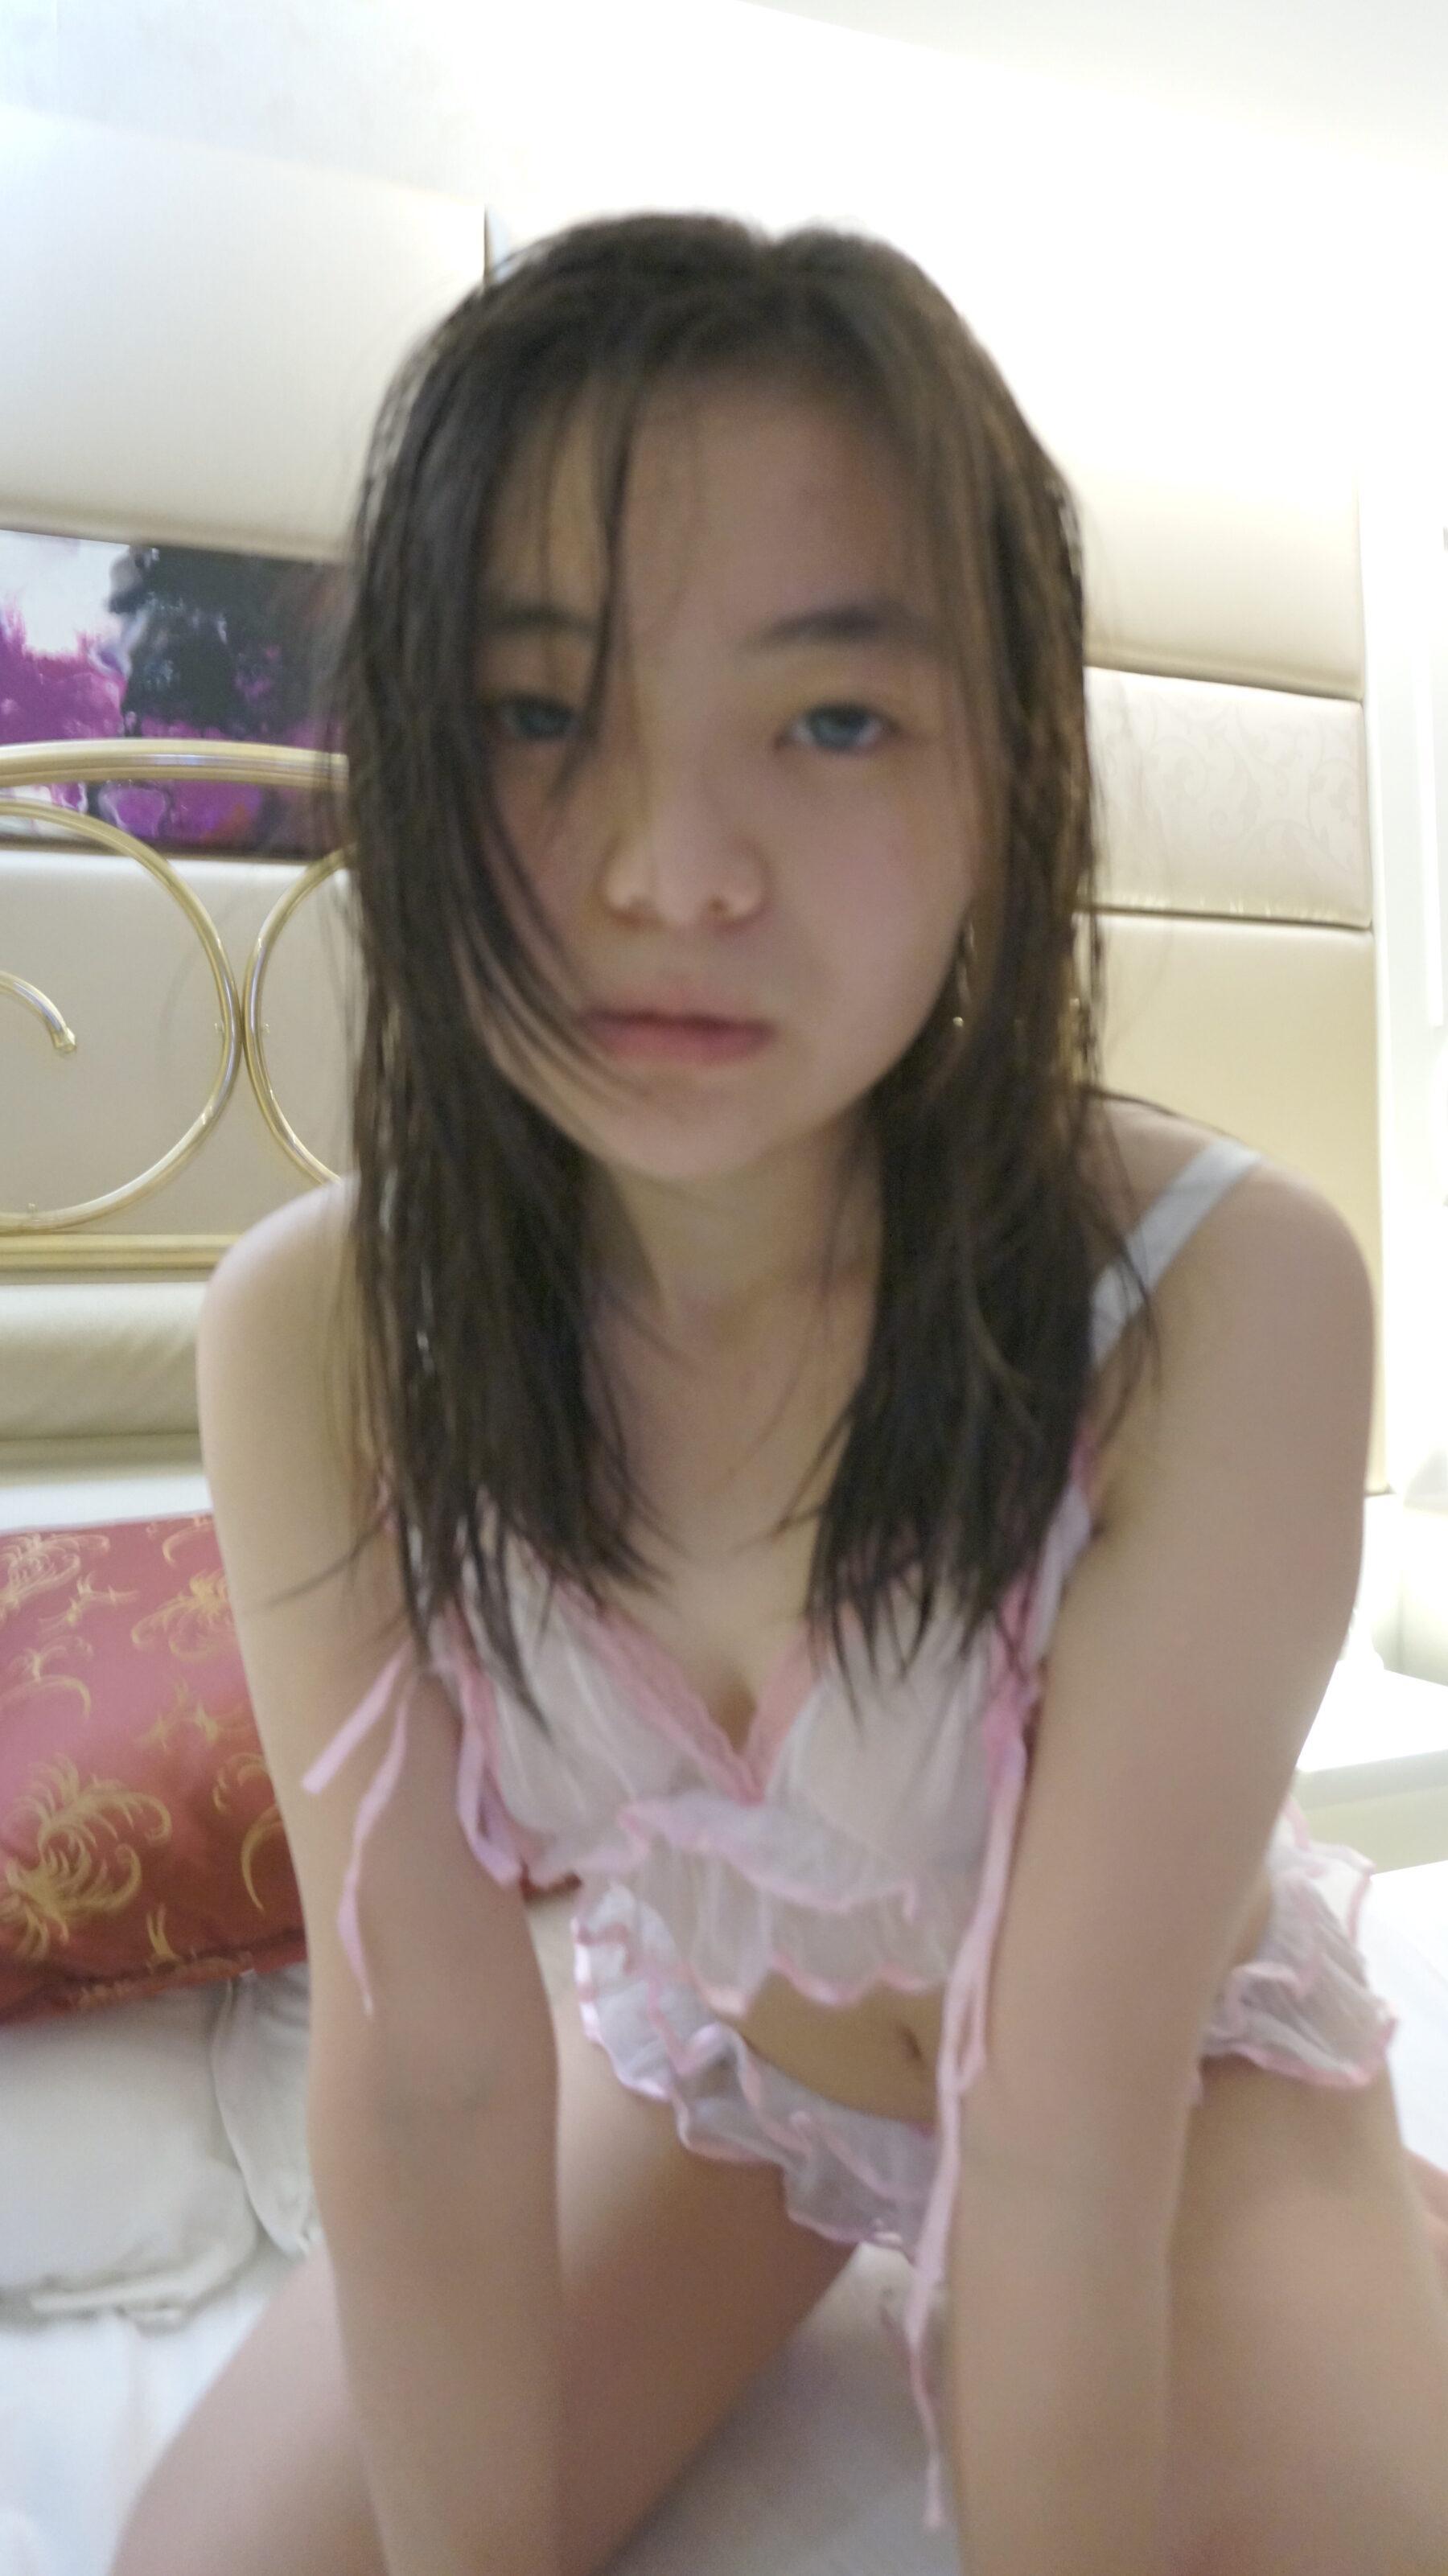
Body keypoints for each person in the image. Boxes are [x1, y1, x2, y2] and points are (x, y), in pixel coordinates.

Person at [113, 212, 1448, 2576]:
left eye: (833, 721)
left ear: (1009, 770)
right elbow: (427, 2070)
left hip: (1164, 2091)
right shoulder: (325, 1335)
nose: (672, 871)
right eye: (543, 714)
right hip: (726, 2068)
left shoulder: (1214, 1301)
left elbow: (1056, 2130)